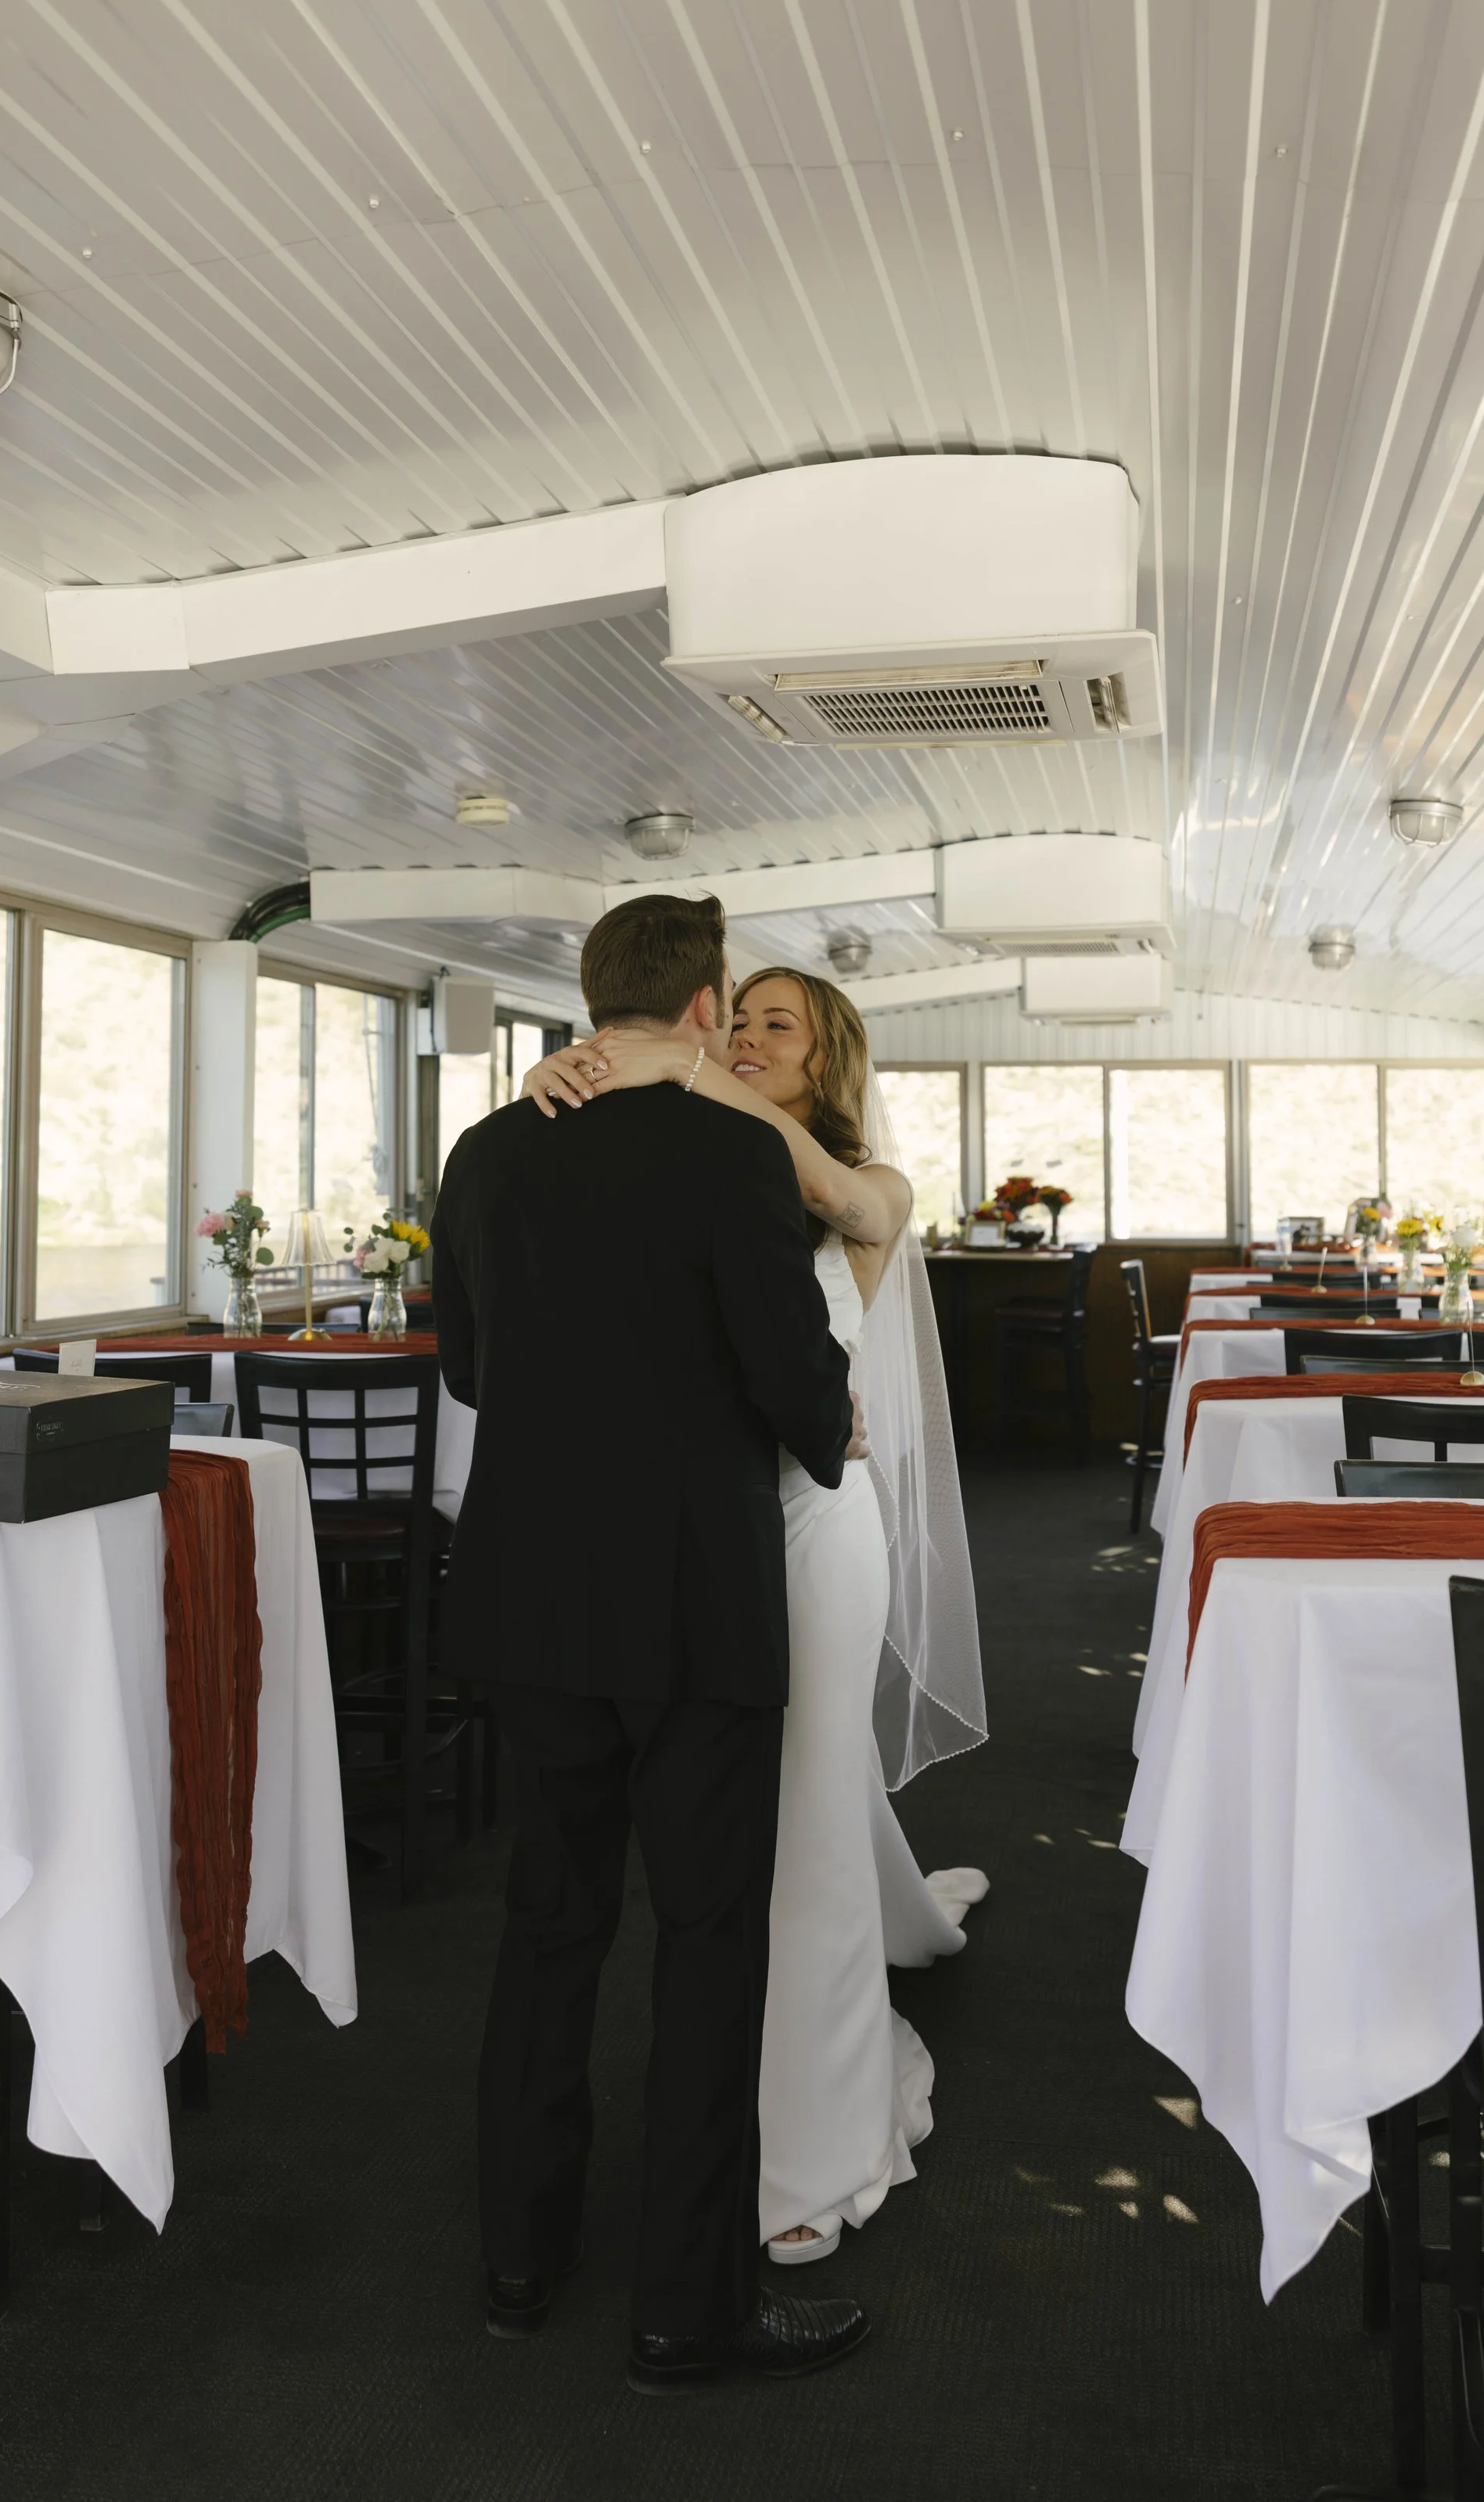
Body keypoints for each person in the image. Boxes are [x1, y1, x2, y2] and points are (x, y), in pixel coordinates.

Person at [429, 894, 871, 2394]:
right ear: (700, 1005)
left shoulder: (486, 1152)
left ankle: (520, 2257)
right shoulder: (731, 1151)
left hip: (527, 1594)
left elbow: (469, 1367)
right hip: (694, 1602)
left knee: (548, 1927)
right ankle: (687, 2308)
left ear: (590, 998)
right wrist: (824, 1412)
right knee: (706, 1941)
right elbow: (791, 1377)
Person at [526, 965, 988, 2264]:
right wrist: (560, 1079)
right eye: (734, 1020)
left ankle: (815, 2150)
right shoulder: (694, 1161)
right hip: (698, 1536)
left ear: (827, 1059)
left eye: (775, 1025)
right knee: (741, 1821)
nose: (744, 1038)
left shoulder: (868, 1188)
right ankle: (859, 1962)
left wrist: (674, 1064)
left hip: (817, 1526)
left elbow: (842, 1202)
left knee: (805, 1823)